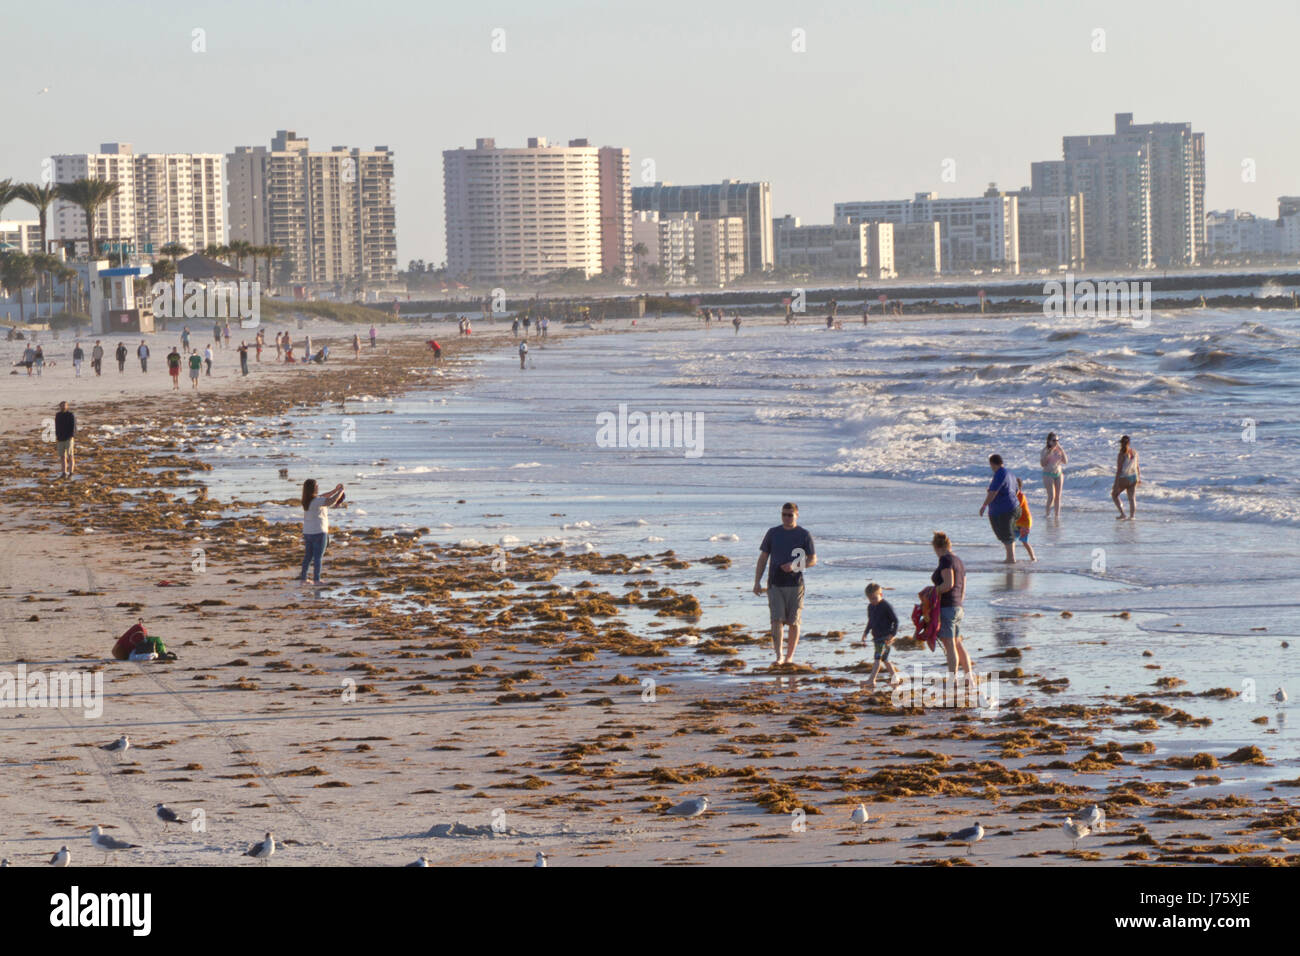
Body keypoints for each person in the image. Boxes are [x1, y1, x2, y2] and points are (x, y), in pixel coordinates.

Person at [753, 502, 816, 664]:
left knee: (794, 622)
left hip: (795, 584)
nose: (786, 518)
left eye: (790, 515)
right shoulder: (773, 533)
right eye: (784, 514)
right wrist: (757, 582)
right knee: (776, 619)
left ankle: (789, 657)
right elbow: (763, 558)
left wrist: (794, 566)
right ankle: (779, 655)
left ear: (796, 515)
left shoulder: (804, 534)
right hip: (775, 583)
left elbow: (812, 560)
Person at [929, 531, 973, 683]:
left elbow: (948, 584)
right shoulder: (958, 561)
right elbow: (963, 589)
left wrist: (932, 592)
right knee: (958, 643)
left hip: (947, 607)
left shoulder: (945, 560)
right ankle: (969, 678)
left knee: (950, 644)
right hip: (958, 607)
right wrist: (958, 604)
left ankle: (952, 680)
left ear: (937, 547)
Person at [299, 478, 345, 585]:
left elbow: (325, 496)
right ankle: (317, 579)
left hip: (308, 532)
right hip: (319, 532)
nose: (318, 487)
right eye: (316, 485)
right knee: (318, 557)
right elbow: (331, 501)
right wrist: (341, 491)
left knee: (308, 557)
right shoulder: (317, 501)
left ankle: (303, 578)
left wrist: (335, 490)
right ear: (313, 488)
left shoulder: (306, 501)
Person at [979, 454, 1019, 563]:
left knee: (1005, 533)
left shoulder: (1000, 474)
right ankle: (1010, 557)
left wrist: (984, 506)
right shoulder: (1010, 473)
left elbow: (993, 492)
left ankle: (1011, 558)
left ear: (992, 464)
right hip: (1013, 507)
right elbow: (1016, 490)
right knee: (1007, 534)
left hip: (1004, 509)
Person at [862, 582, 900, 687]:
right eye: (870, 599)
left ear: (881, 595)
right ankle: (895, 678)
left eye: (875, 598)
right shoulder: (870, 607)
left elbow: (896, 621)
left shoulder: (886, 606)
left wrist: (892, 635)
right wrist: (865, 632)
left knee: (877, 659)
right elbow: (870, 621)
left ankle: (872, 680)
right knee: (885, 659)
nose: (873, 601)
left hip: (886, 637)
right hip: (877, 637)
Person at [1111, 434, 1140, 520]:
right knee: (1132, 498)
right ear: (1129, 443)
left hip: (1124, 477)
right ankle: (1132, 516)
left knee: (1114, 495)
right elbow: (1137, 466)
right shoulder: (1134, 452)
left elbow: (1119, 470)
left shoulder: (1121, 454)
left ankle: (1122, 514)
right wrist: (1139, 477)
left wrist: (1116, 483)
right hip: (1134, 476)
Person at [1040, 432, 1067, 518]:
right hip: (1048, 474)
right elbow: (1042, 464)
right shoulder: (1045, 451)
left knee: (1058, 497)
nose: (1056, 442)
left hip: (1058, 474)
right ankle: (1047, 515)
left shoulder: (1059, 450)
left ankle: (1057, 516)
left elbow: (1065, 461)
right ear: (1049, 441)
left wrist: (1061, 449)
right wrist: (1049, 453)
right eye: (1054, 440)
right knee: (1051, 496)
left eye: (1057, 440)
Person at [1014, 478, 1037, 562]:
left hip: (1025, 522)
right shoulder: (1011, 496)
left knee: (1024, 541)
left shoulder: (1021, 496)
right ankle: (1011, 557)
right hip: (1017, 522)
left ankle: (1033, 557)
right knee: (1011, 540)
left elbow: (1015, 507)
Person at [54, 400, 76, 478]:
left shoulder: (70, 415)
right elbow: (56, 426)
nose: (63, 407)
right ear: (60, 406)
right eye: (62, 405)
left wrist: (72, 436)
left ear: (67, 406)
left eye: (65, 405)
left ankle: (71, 472)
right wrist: (57, 436)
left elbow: (73, 426)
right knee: (62, 456)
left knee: (70, 455)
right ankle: (64, 472)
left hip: (69, 438)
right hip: (60, 438)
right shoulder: (58, 415)